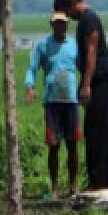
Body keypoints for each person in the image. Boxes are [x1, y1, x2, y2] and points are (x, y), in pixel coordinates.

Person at [54, 0, 108, 190]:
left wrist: (86, 84)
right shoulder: (86, 19)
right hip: (95, 80)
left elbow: (91, 52)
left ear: (72, 4)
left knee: (99, 132)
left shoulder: (89, 19)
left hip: (100, 81)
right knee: (93, 131)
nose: (68, 17)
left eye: (66, 12)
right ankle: (97, 180)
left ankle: (100, 183)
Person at [25, 11, 82, 199]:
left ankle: (73, 186)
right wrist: (30, 87)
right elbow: (32, 68)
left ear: (67, 25)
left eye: (63, 23)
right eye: (57, 23)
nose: (60, 26)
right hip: (52, 102)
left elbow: (83, 66)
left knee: (73, 145)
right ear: (52, 25)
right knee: (54, 145)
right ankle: (54, 187)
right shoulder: (43, 45)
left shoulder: (74, 45)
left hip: (71, 100)